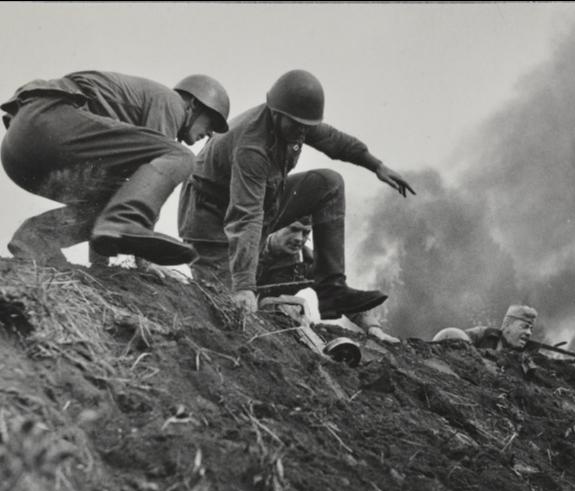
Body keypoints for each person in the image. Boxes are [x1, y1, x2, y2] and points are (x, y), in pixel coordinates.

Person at [177, 69, 415, 321]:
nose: (303, 133)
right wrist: (244, 286)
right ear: (277, 114)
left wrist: (376, 165)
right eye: (298, 126)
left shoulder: (295, 121)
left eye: (307, 127)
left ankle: (332, 290)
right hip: (210, 223)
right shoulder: (252, 147)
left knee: (329, 184)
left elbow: (334, 140)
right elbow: (245, 215)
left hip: (261, 204)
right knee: (229, 311)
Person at [1, 71, 231, 268]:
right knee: (181, 156)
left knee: (119, 195)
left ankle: (38, 237)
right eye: (211, 123)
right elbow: (148, 187)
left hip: (19, 150)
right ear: (193, 105)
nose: (210, 134)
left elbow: (126, 197)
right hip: (47, 120)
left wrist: (101, 267)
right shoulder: (170, 101)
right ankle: (124, 221)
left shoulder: (131, 129)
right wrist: (144, 262)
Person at [254, 216, 400, 343]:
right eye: (293, 229)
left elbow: (338, 294)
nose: (299, 239)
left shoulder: (307, 262)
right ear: (275, 226)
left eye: (305, 232)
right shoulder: (245, 245)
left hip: (268, 325)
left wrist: (372, 327)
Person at [433, 305, 538, 351]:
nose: (529, 333)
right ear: (507, 325)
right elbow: (454, 341)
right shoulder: (482, 334)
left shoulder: (527, 357)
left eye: (531, 329)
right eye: (524, 327)